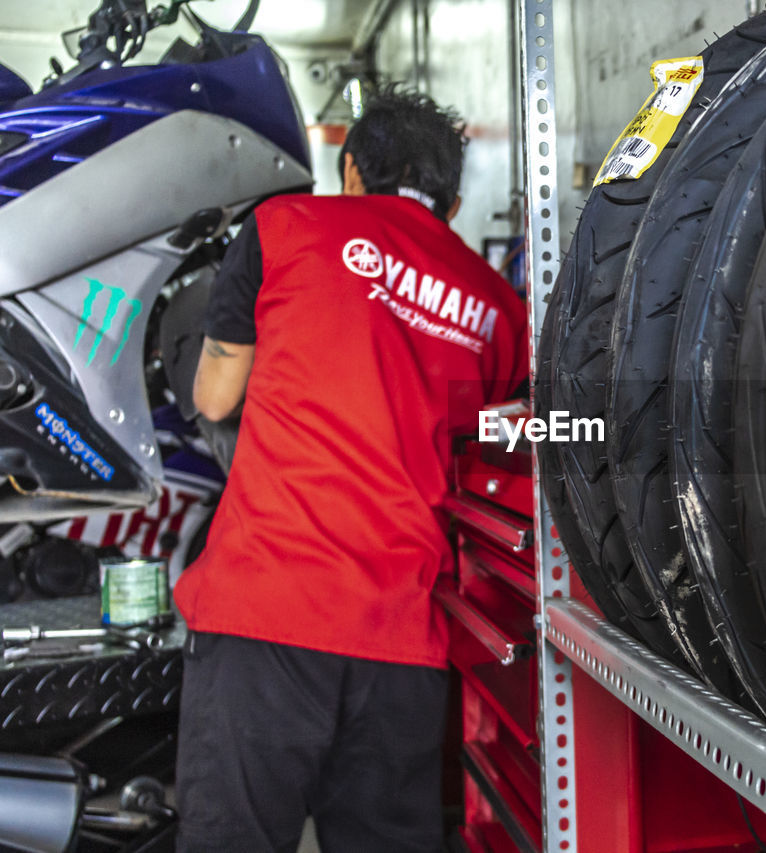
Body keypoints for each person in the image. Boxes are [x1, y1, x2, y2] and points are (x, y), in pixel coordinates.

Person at [172, 88, 528, 852]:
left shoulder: (281, 228)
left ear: (351, 170)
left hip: (266, 613)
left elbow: (214, 394)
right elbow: (497, 444)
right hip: (403, 641)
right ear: (454, 203)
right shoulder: (501, 309)